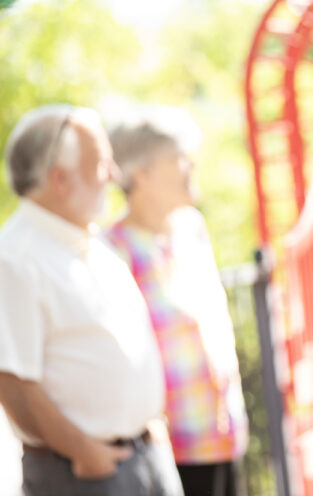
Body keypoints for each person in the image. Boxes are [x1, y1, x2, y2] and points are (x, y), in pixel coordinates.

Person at [0, 104, 182, 496]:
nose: (114, 175)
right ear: (60, 179)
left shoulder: (86, 240)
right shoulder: (15, 258)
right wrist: (84, 453)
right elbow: (12, 381)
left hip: (142, 457)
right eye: (101, 164)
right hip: (85, 474)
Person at [104, 106, 248, 496]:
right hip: (167, 454)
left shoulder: (191, 228)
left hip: (222, 434)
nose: (191, 166)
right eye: (178, 157)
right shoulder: (114, 250)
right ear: (141, 174)